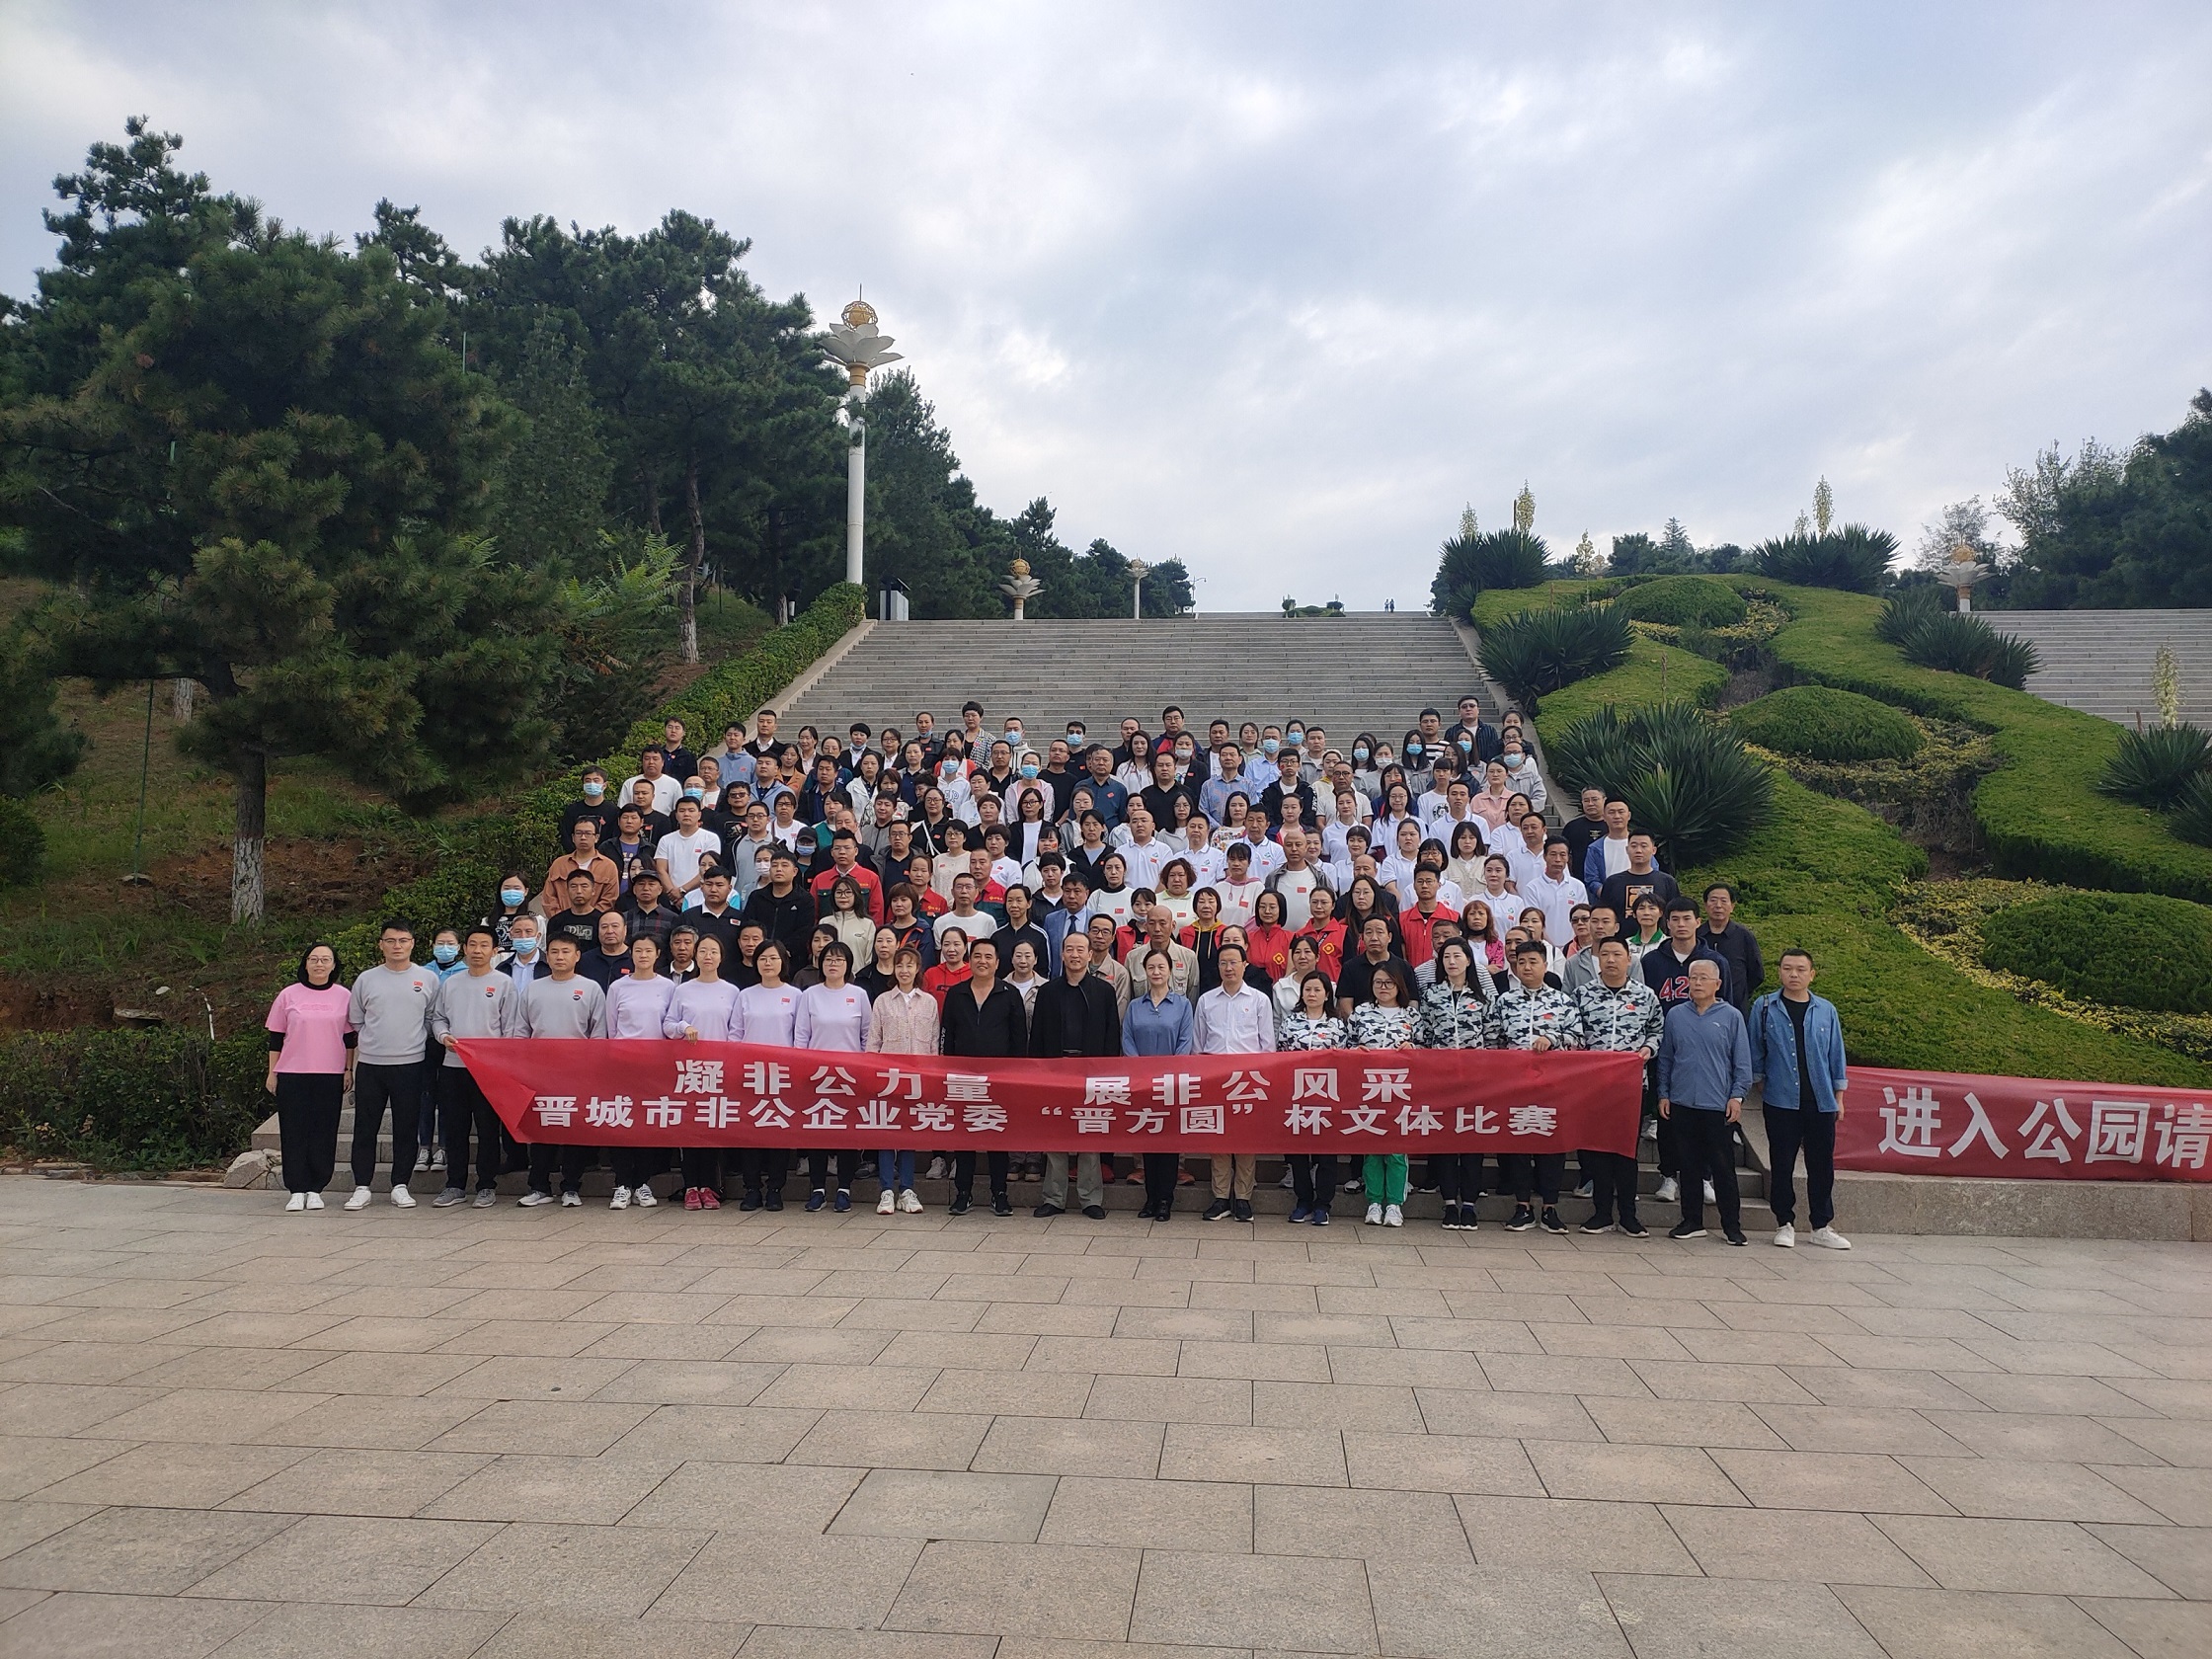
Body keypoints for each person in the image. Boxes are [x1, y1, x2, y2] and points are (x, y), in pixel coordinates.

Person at [1748, 949, 1852, 1250]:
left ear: (1812, 974)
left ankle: (1821, 1225)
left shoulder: (1826, 1010)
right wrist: (1759, 1083)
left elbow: (1836, 1054)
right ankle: (1784, 1223)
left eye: (1800, 969)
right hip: (1780, 1100)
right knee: (1782, 1164)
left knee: (1822, 1165)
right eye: (1787, 968)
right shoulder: (1764, 1007)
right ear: (1779, 971)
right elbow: (1755, 1050)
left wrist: (1839, 1096)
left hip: (1820, 1100)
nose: (1793, 974)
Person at [1484, 939, 1586, 1234]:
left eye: (1533, 962)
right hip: (1515, 1086)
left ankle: (1550, 1207)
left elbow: (1579, 1039)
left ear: (1545, 965)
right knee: (1518, 1145)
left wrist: (1553, 1040)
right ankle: (1522, 1207)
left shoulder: (1562, 1001)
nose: (1527, 967)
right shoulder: (1504, 1001)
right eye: (1521, 962)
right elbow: (1491, 1040)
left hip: (1553, 1087)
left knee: (1551, 1145)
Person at [1657, 959, 1753, 1245]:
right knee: (1688, 1165)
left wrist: (1737, 1096)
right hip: (1682, 1100)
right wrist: (1663, 1093)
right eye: (1693, 978)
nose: (1697, 983)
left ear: (1718, 984)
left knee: (1723, 1167)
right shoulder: (1676, 1015)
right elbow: (1666, 1058)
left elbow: (1742, 1061)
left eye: (1703, 978)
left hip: (1717, 1104)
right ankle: (1691, 1220)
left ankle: (1732, 1226)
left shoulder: (1731, 1016)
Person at [344, 921, 436, 1212]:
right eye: (391, 940)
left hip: (410, 1063)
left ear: (413, 943)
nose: (397, 946)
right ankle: (362, 1186)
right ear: (381, 944)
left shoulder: (427, 978)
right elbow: (356, 1019)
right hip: (372, 1064)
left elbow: (431, 1018)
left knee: (406, 1127)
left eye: (403, 940)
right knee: (365, 1126)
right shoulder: (367, 979)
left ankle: (400, 1185)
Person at [1573, 937, 1662, 1237]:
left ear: (1628, 959)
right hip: (1592, 1086)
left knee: (1626, 1151)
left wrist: (1649, 1049)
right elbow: (1572, 1032)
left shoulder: (1645, 996)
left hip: (1631, 1085)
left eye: (1617, 954)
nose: (1610, 959)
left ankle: (1628, 1215)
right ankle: (1601, 1213)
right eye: (1605, 954)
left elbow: (1657, 1030)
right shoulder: (1582, 995)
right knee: (1597, 1150)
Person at [1030, 930, 1123, 1220]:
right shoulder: (1048, 991)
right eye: (1069, 949)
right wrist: (1038, 1071)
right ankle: (1054, 1198)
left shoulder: (1103, 991)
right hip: (1056, 1071)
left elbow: (1111, 1034)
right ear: (1061, 954)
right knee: (1055, 1134)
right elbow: (1037, 1036)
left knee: (1089, 1134)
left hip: (1091, 1072)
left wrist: (1107, 1072)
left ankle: (1090, 1198)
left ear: (1090, 954)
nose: (1074, 955)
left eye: (1080, 950)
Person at [428, 925, 521, 1209]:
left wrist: (501, 1061)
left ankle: (486, 1185)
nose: (477, 951)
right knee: (455, 1129)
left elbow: (511, 1027)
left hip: (488, 1070)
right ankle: (455, 1185)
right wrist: (443, 1036)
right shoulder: (452, 984)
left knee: (488, 1128)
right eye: (472, 945)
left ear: (495, 951)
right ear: (464, 949)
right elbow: (438, 1018)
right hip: (453, 1066)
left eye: (484, 946)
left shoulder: (504, 983)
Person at [514, 934, 608, 1207]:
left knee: (573, 1128)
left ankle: (571, 1187)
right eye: (554, 951)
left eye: (566, 951)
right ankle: (539, 1186)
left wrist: (591, 1066)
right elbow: (521, 1030)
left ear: (577, 956)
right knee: (541, 1127)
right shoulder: (533, 989)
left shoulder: (590, 988)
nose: (559, 957)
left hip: (577, 1071)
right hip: (540, 1071)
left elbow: (598, 1032)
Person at [940, 937, 1028, 1217]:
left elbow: (1019, 1039)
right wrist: (947, 1070)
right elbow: (947, 1036)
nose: (982, 961)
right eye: (977, 956)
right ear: (970, 960)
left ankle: (999, 1193)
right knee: (964, 1136)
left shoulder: (1009, 993)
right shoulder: (957, 994)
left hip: (999, 1078)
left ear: (998, 962)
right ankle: (963, 1193)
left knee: (996, 1136)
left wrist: (1015, 1075)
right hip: (963, 1077)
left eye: (989, 957)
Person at [265, 942, 355, 1211]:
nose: (319, 964)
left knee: (324, 1132)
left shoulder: (344, 996)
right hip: (292, 1073)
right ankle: (296, 1188)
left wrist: (348, 1069)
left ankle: (316, 1188)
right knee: (293, 1131)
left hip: (330, 1074)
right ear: (305, 963)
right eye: (314, 959)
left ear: (334, 965)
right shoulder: (288, 995)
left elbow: (350, 1038)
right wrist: (272, 1072)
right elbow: (275, 1038)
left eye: (325, 959)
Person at [1192, 940, 1275, 1223]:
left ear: (1245, 965)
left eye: (1234, 962)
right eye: (1223, 963)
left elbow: (1267, 1046)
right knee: (1218, 1138)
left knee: (1246, 1140)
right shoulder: (1206, 1000)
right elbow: (1198, 1045)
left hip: (1248, 1079)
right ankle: (1220, 1197)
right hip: (1215, 1078)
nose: (1229, 968)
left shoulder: (1259, 1000)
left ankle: (1243, 1198)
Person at [1417, 937, 1490, 1229]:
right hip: (1441, 1079)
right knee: (1445, 1140)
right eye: (1446, 956)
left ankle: (1469, 1204)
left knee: (1472, 1141)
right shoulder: (1432, 995)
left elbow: (1493, 1038)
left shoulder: (1482, 997)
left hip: (1476, 1080)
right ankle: (1449, 1203)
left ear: (1469, 960)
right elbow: (1424, 1035)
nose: (1451, 961)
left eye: (1457, 956)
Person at [796, 942, 873, 1213]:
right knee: (818, 1133)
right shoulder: (810, 995)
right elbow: (801, 1035)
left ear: (848, 965)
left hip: (849, 1075)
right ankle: (818, 1189)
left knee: (846, 1134)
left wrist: (863, 1067)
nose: (833, 964)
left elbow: (867, 1035)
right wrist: (802, 1068)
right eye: (828, 959)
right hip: (816, 1074)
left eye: (839, 960)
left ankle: (844, 1188)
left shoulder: (859, 994)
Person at [601, 934, 676, 1208]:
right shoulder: (618, 987)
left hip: (655, 1066)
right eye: (638, 950)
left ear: (658, 954)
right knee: (622, 1121)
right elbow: (611, 1027)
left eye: (648, 950)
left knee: (648, 1124)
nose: (643, 955)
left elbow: (669, 1024)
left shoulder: (668, 987)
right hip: (623, 1065)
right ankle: (622, 1183)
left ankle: (642, 1182)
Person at [1123, 946, 1197, 1222]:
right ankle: (1150, 1198)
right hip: (1142, 1083)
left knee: (1168, 1143)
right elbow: (1127, 1040)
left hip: (1171, 1084)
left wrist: (1171, 1074)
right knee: (1148, 1140)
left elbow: (1185, 1042)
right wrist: (1140, 1073)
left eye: (1161, 967)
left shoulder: (1182, 1005)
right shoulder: (1135, 1006)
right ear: (1144, 971)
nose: (1156, 972)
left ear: (1170, 971)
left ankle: (1166, 1199)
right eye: (1151, 967)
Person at [864, 946, 937, 1214]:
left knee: (909, 1134)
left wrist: (931, 1076)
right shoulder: (882, 1001)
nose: (904, 970)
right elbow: (873, 1041)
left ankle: (907, 1190)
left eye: (910, 965)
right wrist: (871, 1074)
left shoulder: (928, 1002)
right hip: (888, 1077)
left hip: (917, 1077)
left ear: (918, 969)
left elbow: (933, 1044)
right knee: (887, 1133)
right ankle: (886, 1190)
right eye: (900, 965)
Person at [1348, 958, 1418, 1225]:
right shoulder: (1361, 1013)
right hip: (1369, 1090)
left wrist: (1413, 1049)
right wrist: (1354, 1052)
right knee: (1372, 1148)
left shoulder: (1411, 1015)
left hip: (1401, 1091)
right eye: (1378, 982)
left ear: (1399, 985)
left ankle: (1395, 1205)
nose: (1383, 987)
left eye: (1389, 983)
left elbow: (1427, 1047)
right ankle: (1375, 1202)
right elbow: (1346, 1044)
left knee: (1397, 1150)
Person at [733, 940, 802, 1210]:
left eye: (773, 958)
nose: (768, 963)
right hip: (750, 1073)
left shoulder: (795, 995)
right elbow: (736, 1033)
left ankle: (775, 1188)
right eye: (763, 958)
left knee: (778, 1132)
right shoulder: (745, 995)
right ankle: (752, 1188)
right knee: (750, 1132)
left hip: (782, 1073)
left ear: (783, 962)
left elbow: (800, 1035)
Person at [1277, 970, 1347, 1225]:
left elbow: (1345, 1060)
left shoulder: (1337, 1024)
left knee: (1327, 1153)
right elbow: (1280, 1054)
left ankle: (1323, 1204)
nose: (1312, 994)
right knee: (1298, 1153)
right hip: (1297, 1095)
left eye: (1317, 990)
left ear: (1327, 994)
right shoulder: (1291, 1022)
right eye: (1307, 989)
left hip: (1327, 1096)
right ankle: (1303, 1201)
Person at [1700, 885, 1765, 1014]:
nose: (1718, 905)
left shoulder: (1744, 936)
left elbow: (1756, 973)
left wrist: (1741, 992)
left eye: (1724, 901)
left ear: (1732, 906)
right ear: (1705, 905)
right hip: (1700, 1008)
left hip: (1736, 1008)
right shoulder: (1697, 936)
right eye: (1713, 900)